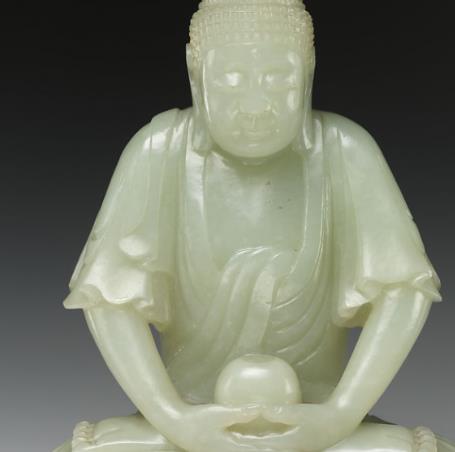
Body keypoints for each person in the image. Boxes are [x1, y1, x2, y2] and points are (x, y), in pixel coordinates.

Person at [56, 1, 453, 451]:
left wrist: (341, 414)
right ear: (195, 74)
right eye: (231, 79)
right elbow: (110, 302)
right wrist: (174, 418)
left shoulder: (345, 150)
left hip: (313, 421)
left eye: (277, 78)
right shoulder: (159, 151)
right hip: (191, 420)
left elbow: (404, 292)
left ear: (308, 72)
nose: (254, 106)